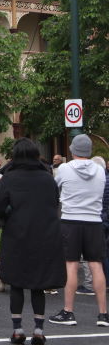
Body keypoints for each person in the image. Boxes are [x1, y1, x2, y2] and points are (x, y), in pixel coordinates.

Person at [0, 138, 65, 345]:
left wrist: (6, 213)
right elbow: (54, 202)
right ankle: (39, 329)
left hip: (17, 234)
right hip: (45, 234)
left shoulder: (10, 179)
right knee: (38, 285)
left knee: (17, 283)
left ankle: (18, 328)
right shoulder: (48, 178)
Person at [49, 134, 108, 326]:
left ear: (73, 150)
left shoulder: (64, 169)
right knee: (96, 264)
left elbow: (54, 191)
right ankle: (103, 313)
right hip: (94, 221)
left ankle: (68, 311)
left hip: (71, 220)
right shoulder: (99, 170)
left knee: (71, 265)